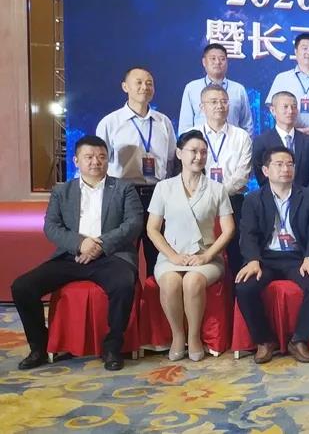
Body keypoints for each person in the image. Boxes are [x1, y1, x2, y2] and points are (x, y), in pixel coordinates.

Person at [11, 136, 143, 371]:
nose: (96, 162)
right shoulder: (62, 191)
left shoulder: (124, 188)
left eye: (101, 157)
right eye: (89, 157)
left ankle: (112, 347)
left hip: (111, 256)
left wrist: (99, 245)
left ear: (108, 160)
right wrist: (80, 244)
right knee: (22, 287)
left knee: (124, 284)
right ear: (76, 160)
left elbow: (133, 224)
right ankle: (39, 347)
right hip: (71, 255)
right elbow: (51, 227)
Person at [146, 130, 236, 361]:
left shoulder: (217, 189)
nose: (199, 156)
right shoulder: (164, 187)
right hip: (171, 256)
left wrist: (207, 256)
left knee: (192, 281)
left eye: (203, 152)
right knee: (170, 282)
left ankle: (194, 337)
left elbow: (228, 230)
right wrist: (173, 256)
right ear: (179, 153)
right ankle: (178, 336)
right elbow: (152, 229)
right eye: (193, 151)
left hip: (206, 256)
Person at [235, 147, 309, 364]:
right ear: (266, 170)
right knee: (244, 287)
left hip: (297, 257)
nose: (285, 169)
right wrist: (252, 260)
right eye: (279, 164)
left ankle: (299, 339)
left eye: (289, 164)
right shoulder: (253, 199)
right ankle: (264, 340)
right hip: (265, 258)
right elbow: (248, 234)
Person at [96, 66, 177, 277]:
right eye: (138, 82)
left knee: (158, 255)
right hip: (124, 193)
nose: (144, 87)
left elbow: (171, 160)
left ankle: (155, 297)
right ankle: (128, 296)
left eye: (149, 83)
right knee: (123, 255)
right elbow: (100, 162)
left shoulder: (163, 122)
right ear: (125, 87)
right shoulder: (110, 122)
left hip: (157, 194)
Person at [195, 84, 252, 274]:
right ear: (202, 107)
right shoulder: (192, 135)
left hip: (233, 201)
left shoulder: (241, 136)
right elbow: (188, 170)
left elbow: (242, 174)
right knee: (199, 251)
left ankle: (236, 288)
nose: (219, 106)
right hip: (198, 201)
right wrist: (206, 195)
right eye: (213, 102)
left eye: (224, 101)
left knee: (237, 254)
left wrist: (218, 194)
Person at [251, 91, 309, 194]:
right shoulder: (261, 142)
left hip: (306, 200)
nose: (290, 111)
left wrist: (305, 198)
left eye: (294, 107)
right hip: (273, 200)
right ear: (273, 110)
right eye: (285, 107)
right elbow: (261, 176)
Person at [178, 43, 253, 134]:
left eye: (222, 59)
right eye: (213, 58)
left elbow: (247, 125)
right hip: (201, 142)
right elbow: (185, 126)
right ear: (204, 62)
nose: (217, 62)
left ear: (227, 62)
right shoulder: (191, 88)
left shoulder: (238, 89)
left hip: (233, 142)